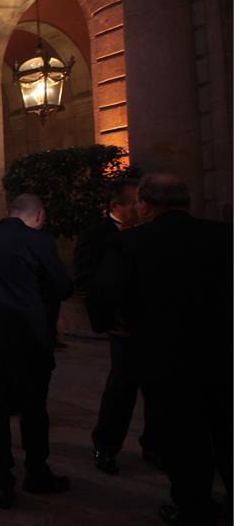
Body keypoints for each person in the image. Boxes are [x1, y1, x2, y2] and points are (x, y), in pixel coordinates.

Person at [96, 173, 232, 526]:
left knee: (184, 435)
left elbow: (105, 294)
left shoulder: (133, 243)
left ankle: (194, 511)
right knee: (225, 428)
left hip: (164, 356)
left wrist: (111, 324)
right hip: (222, 351)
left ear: (145, 204)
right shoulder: (223, 235)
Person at [0, 193, 73, 510]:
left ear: (8, 211)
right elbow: (62, 287)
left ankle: (2, 485)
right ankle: (36, 473)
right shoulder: (40, 242)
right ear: (38, 215)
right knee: (33, 406)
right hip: (29, 336)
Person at [75, 178, 157, 476]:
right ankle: (106, 446)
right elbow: (87, 278)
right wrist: (109, 319)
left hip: (154, 325)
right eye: (134, 202)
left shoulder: (150, 234)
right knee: (121, 388)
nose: (140, 208)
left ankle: (154, 445)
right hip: (123, 327)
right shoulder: (97, 235)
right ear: (117, 206)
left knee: (156, 388)